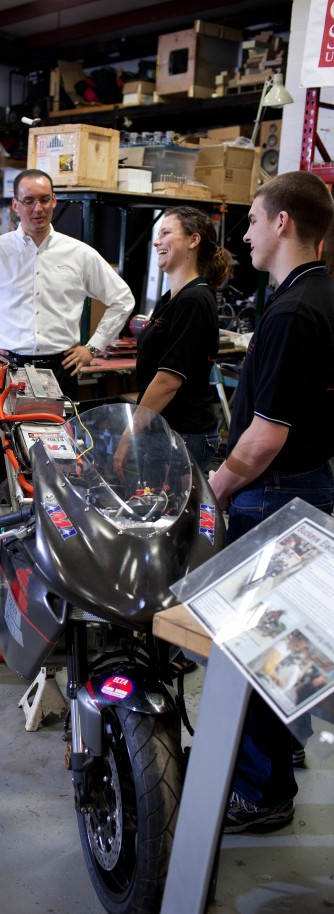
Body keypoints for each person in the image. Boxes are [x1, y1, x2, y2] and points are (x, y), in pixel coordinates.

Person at [0, 168, 135, 579]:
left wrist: (93, 347)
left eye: (44, 199)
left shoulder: (79, 254)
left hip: (61, 369)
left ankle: (57, 559)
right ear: (15, 206)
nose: (37, 208)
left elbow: (122, 299)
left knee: (61, 467)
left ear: (54, 202)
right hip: (6, 369)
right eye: (29, 200)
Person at [209, 170, 334, 832]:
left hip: (274, 494)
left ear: (283, 222)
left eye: (254, 221)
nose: (246, 235)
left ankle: (261, 792)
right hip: (309, 485)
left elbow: (264, 438)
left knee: (254, 645)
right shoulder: (319, 294)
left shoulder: (292, 313)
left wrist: (214, 488)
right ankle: (282, 750)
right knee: (288, 638)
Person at [114, 206, 231, 477]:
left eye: (166, 233)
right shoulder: (171, 299)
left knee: (166, 505)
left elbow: (168, 380)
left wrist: (130, 433)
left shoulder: (194, 300)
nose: (157, 242)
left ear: (193, 240)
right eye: (158, 235)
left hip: (184, 435)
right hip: (165, 430)